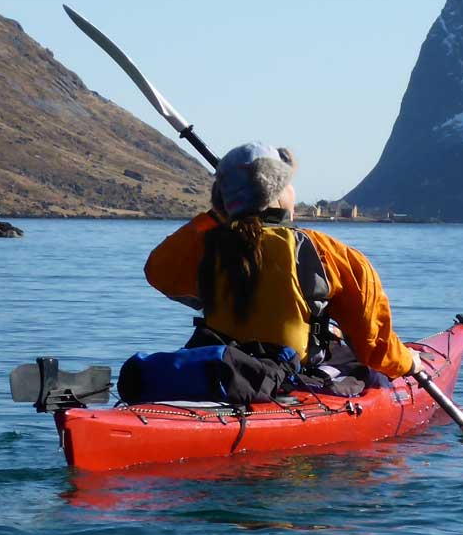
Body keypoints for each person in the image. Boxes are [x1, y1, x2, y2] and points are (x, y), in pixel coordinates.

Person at [143, 142, 420, 381]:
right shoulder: (326, 251)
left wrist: (218, 212)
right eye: (289, 184)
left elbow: (158, 273)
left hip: (225, 370)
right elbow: (374, 348)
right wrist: (410, 363)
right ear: (277, 193)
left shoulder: (206, 245)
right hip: (294, 377)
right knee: (375, 377)